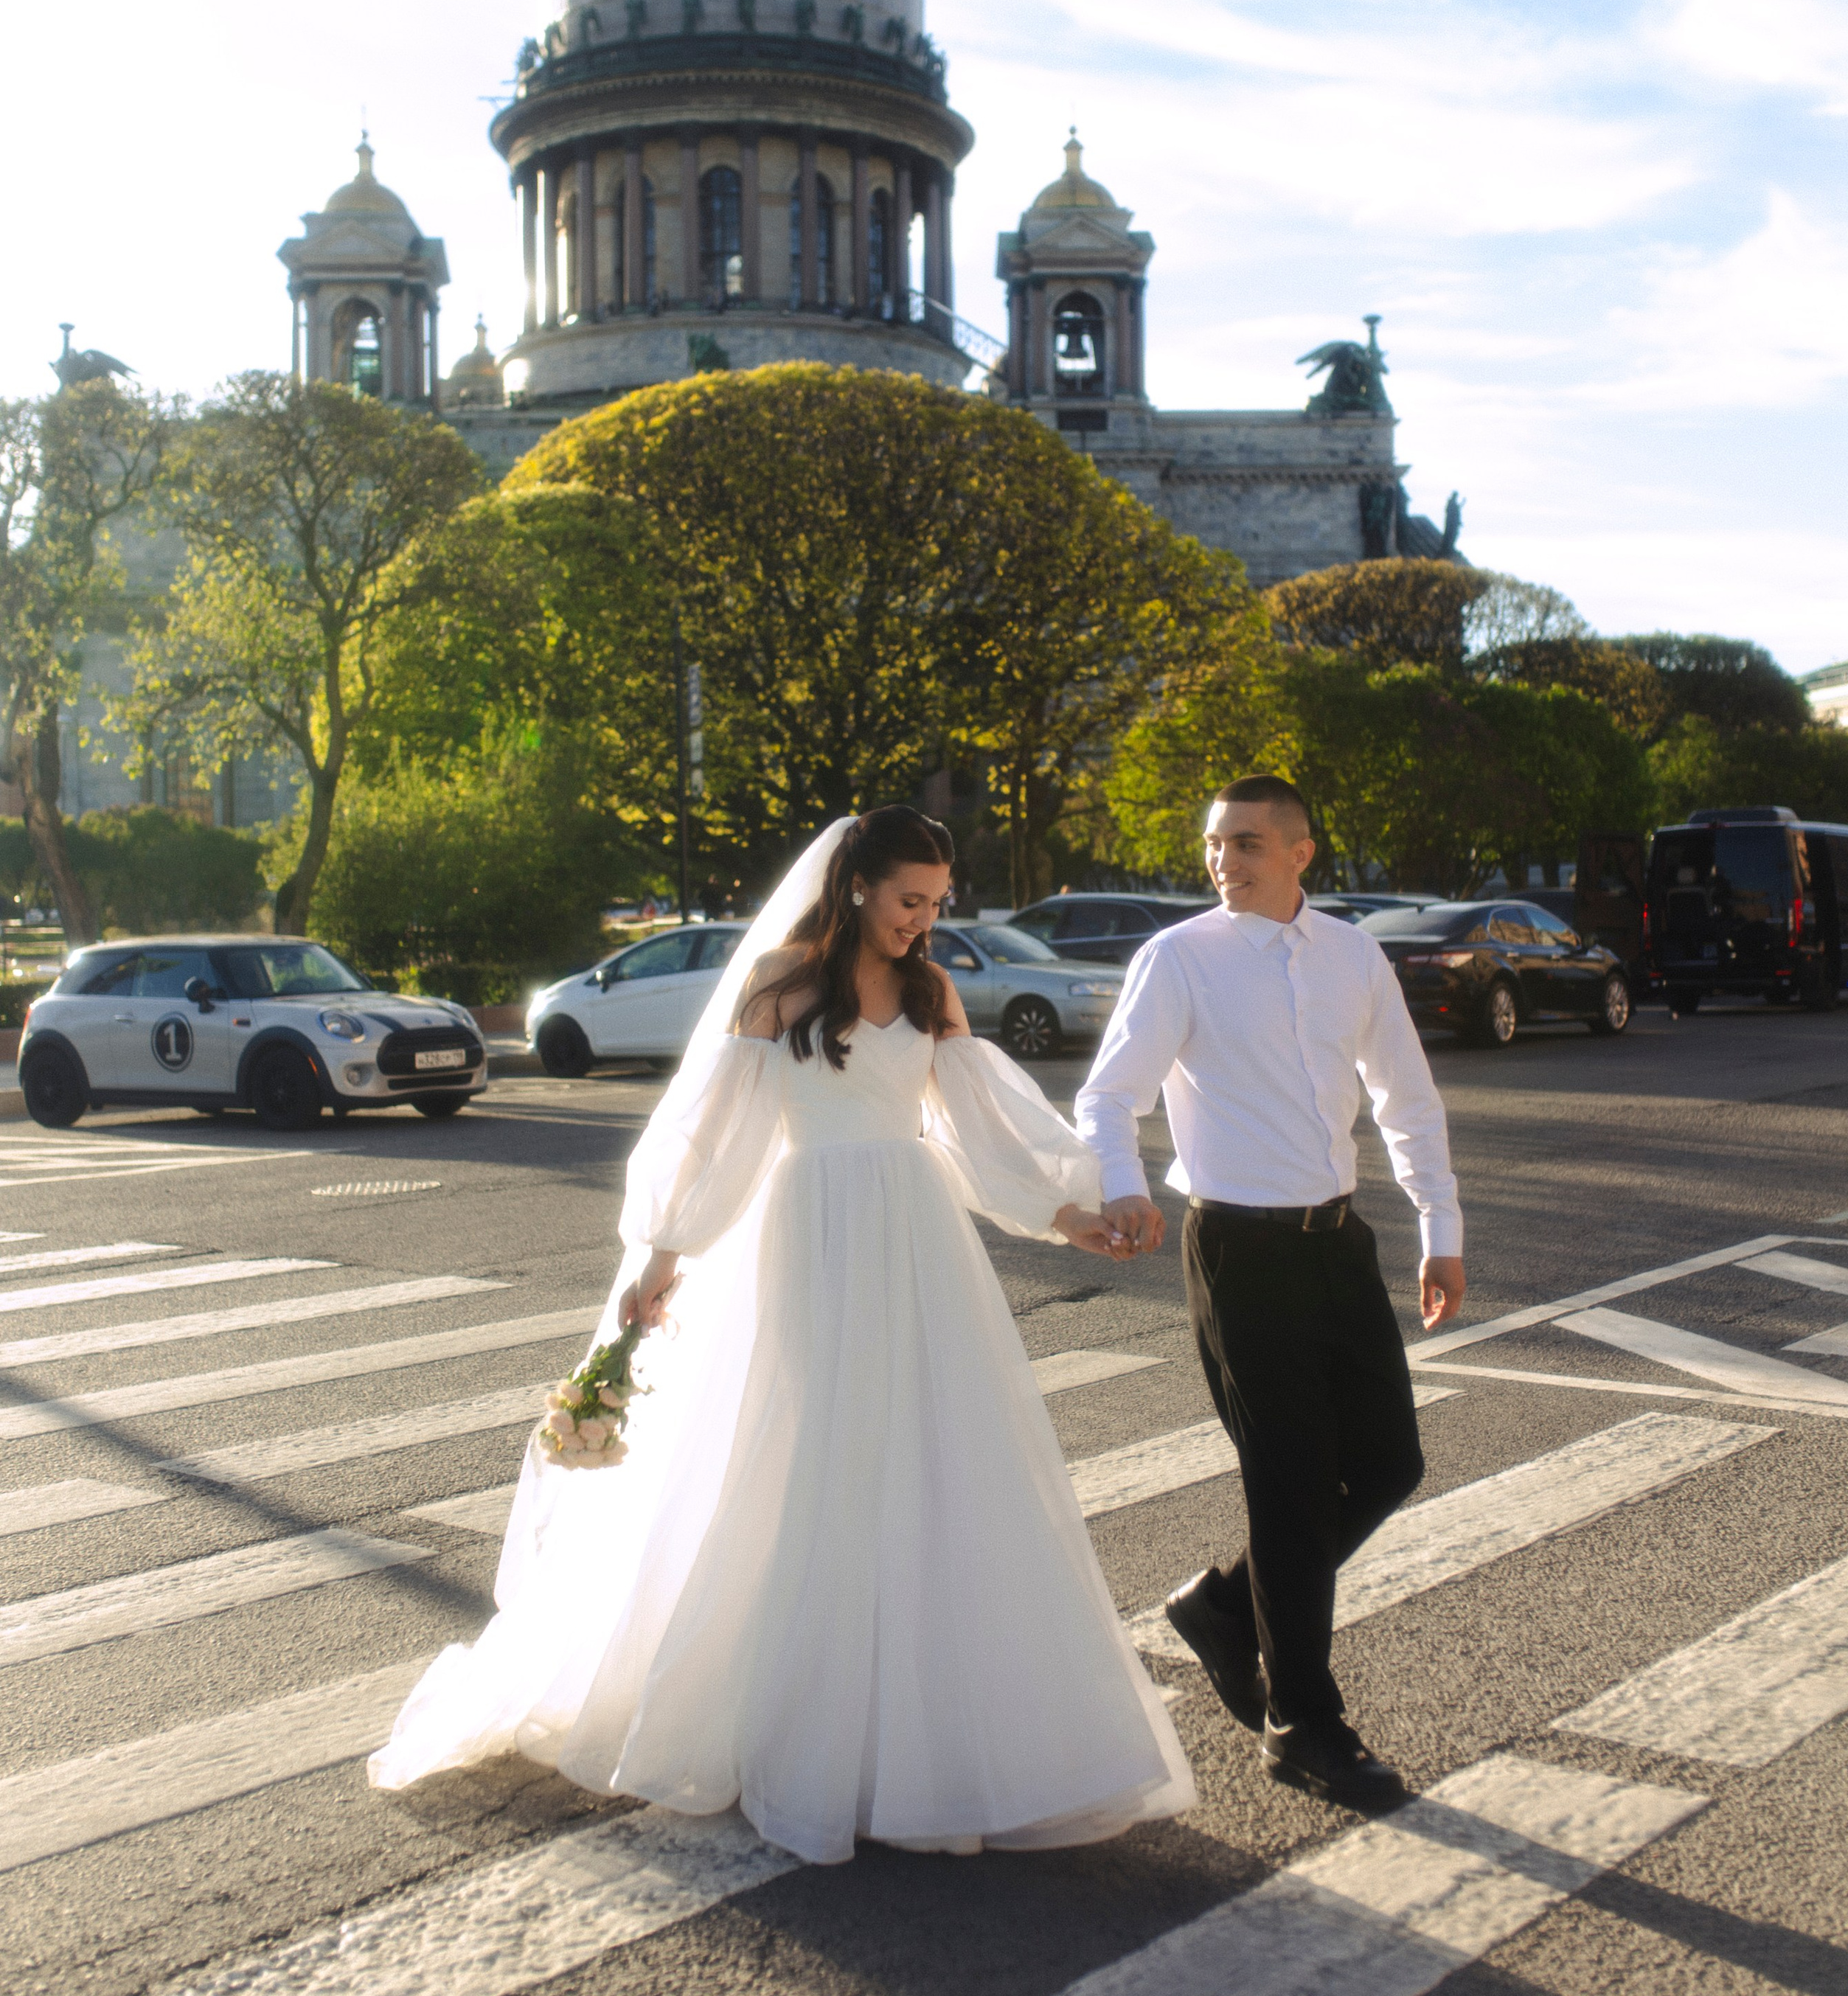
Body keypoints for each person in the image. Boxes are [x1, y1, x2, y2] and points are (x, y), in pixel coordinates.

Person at [371, 806, 1195, 1863]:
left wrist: (1071, 1215)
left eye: (938, 904)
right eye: (910, 900)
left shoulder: (933, 992)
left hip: (915, 1240)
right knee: (806, 1457)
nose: (924, 921)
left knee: (934, 1458)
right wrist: (667, 1251)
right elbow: (723, 1132)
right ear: (855, 887)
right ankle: (792, 1719)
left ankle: (936, 1732)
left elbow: (984, 1132)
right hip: (804, 1240)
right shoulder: (780, 991)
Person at [1075, 774, 1465, 1812]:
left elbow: (1406, 1100)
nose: (1224, 861)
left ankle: (1224, 1610)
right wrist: (1121, 1185)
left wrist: (1441, 1230)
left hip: (1337, 1245)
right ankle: (1303, 1723)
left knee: (1389, 1463)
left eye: (1247, 843)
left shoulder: (1352, 954)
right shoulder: (1180, 960)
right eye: (1214, 845)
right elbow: (1110, 1096)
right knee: (1290, 1487)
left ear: (1301, 851)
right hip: (1238, 1251)